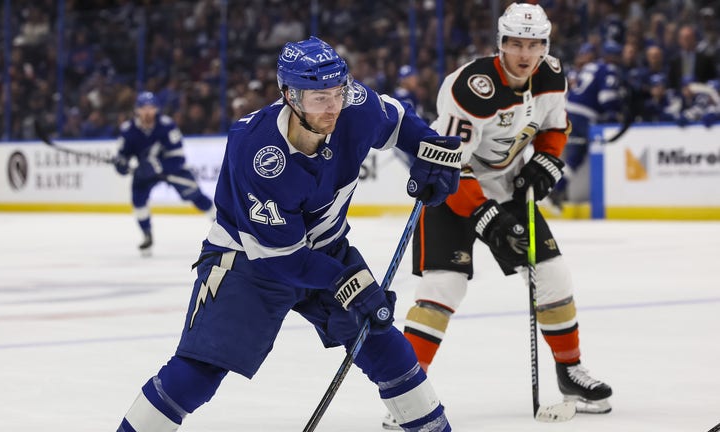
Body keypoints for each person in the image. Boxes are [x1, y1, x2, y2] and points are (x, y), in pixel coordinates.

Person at [116, 36, 463, 432]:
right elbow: (281, 257)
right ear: (290, 96)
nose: (333, 106)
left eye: (338, 91)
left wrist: (433, 153)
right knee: (198, 372)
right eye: (319, 98)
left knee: (387, 348)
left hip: (325, 249)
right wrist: (348, 282)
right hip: (249, 263)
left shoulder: (355, 105)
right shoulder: (257, 152)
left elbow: (398, 120)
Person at [385, 3, 613, 429]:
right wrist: (487, 218)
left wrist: (546, 162)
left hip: (507, 187)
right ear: (500, 44)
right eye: (516, 43)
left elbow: (554, 127)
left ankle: (570, 372)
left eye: (534, 44)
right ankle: (406, 391)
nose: (525, 54)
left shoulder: (550, 76)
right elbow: (450, 165)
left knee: (553, 275)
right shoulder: (470, 88)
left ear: (545, 46)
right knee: (443, 288)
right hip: (449, 190)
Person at [114, 91, 214, 256]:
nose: (147, 112)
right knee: (138, 200)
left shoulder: (167, 126)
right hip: (145, 172)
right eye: (143, 108)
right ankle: (147, 235)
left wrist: (158, 166)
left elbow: (178, 158)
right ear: (137, 110)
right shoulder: (128, 129)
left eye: (151, 108)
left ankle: (221, 222)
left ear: (156, 109)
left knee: (195, 194)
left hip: (171, 169)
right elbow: (123, 155)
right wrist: (121, 164)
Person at [549, 39, 626, 209]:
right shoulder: (609, 70)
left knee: (573, 155)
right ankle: (557, 189)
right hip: (583, 116)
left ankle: (558, 189)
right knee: (576, 155)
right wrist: (614, 116)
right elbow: (607, 99)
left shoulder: (592, 66)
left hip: (566, 110)